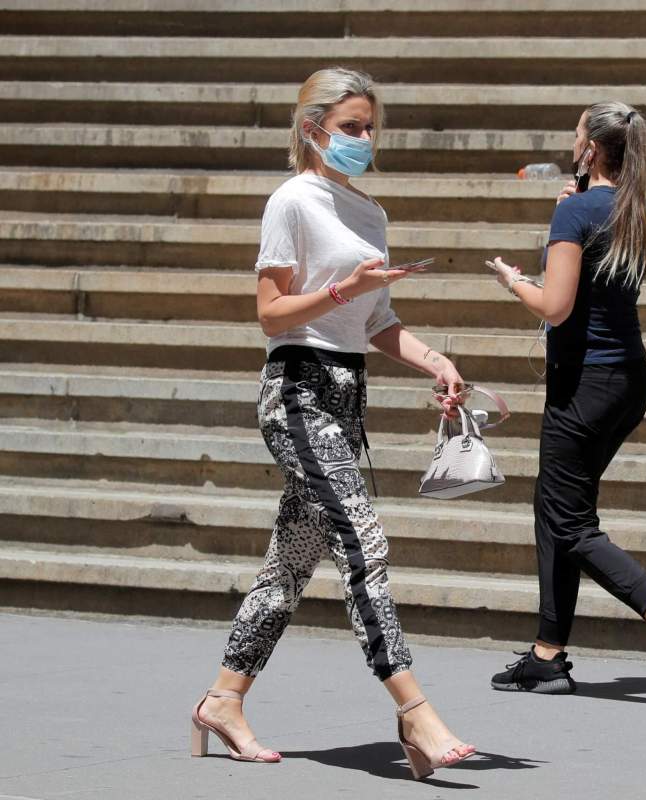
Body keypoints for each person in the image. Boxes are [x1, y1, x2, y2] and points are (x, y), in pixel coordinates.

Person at [189, 67, 475, 780]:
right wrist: (345, 286)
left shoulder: (370, 214)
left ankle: (223, 699)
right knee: (362, 540)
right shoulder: (292, 201)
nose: (364, 139)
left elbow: (375, 323)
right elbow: (270, 313)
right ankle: (413, 708)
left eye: (370, 127)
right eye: (351, 127)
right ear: (312, 128)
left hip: (348, 395)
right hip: (296, 391)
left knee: (290, 565)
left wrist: (435, 360)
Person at [486, 101, 646, 705]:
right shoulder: (640, 212)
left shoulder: (579, 211)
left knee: (568, 519)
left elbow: (555, 306)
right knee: (554, 507)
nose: (571, 143)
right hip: (626, 381)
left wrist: (514, 281)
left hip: (584, 384)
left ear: (591, 150)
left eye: (577, 136)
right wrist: (570, 208)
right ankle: (546, 656)